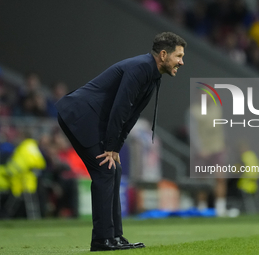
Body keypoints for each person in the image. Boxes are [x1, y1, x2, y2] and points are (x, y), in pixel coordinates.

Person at [56, 32, 186, 252]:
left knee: (113, 168)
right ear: (163, 55)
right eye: (179, 56)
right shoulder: (141, 68)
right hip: (79, 115)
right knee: (105, 171)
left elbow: (131, 115)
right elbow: (121, 107)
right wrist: (110, 146)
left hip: (91, 118)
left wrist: (115, 147)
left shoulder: (151, 74)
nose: (182, 62)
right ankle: (101, 239)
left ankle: (114, 236)